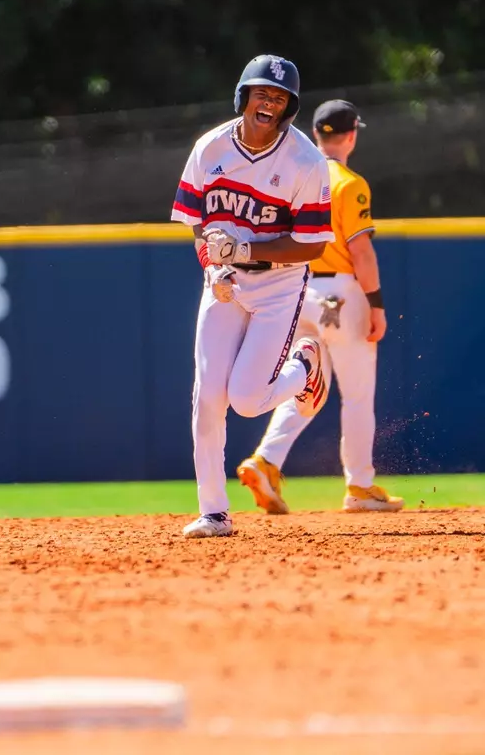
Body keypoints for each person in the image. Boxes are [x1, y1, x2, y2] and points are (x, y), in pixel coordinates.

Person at [171, 54, 335, 539]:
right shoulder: (210, 147)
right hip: (224, 284)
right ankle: (214, 512)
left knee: (246, 399)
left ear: (289, 109)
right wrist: (213, 265)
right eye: (262, 92)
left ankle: (306, 367)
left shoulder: (304, 160)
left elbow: (314, 243)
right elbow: (198, 221)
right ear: (244, 96)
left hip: (278, 288)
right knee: (207, 399)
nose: (269, 102)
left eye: (280, 97)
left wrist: (244, 248)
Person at [236, 99, 404, 514]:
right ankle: (360, 487)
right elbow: (360, 250)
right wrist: (376, 304)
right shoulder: (349, 183)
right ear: (351, 135)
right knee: (357, 395)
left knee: (308, 386)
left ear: (315, 134)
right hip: (341, 294)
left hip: (295, 292)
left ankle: (266, 460)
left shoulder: (293, 178)